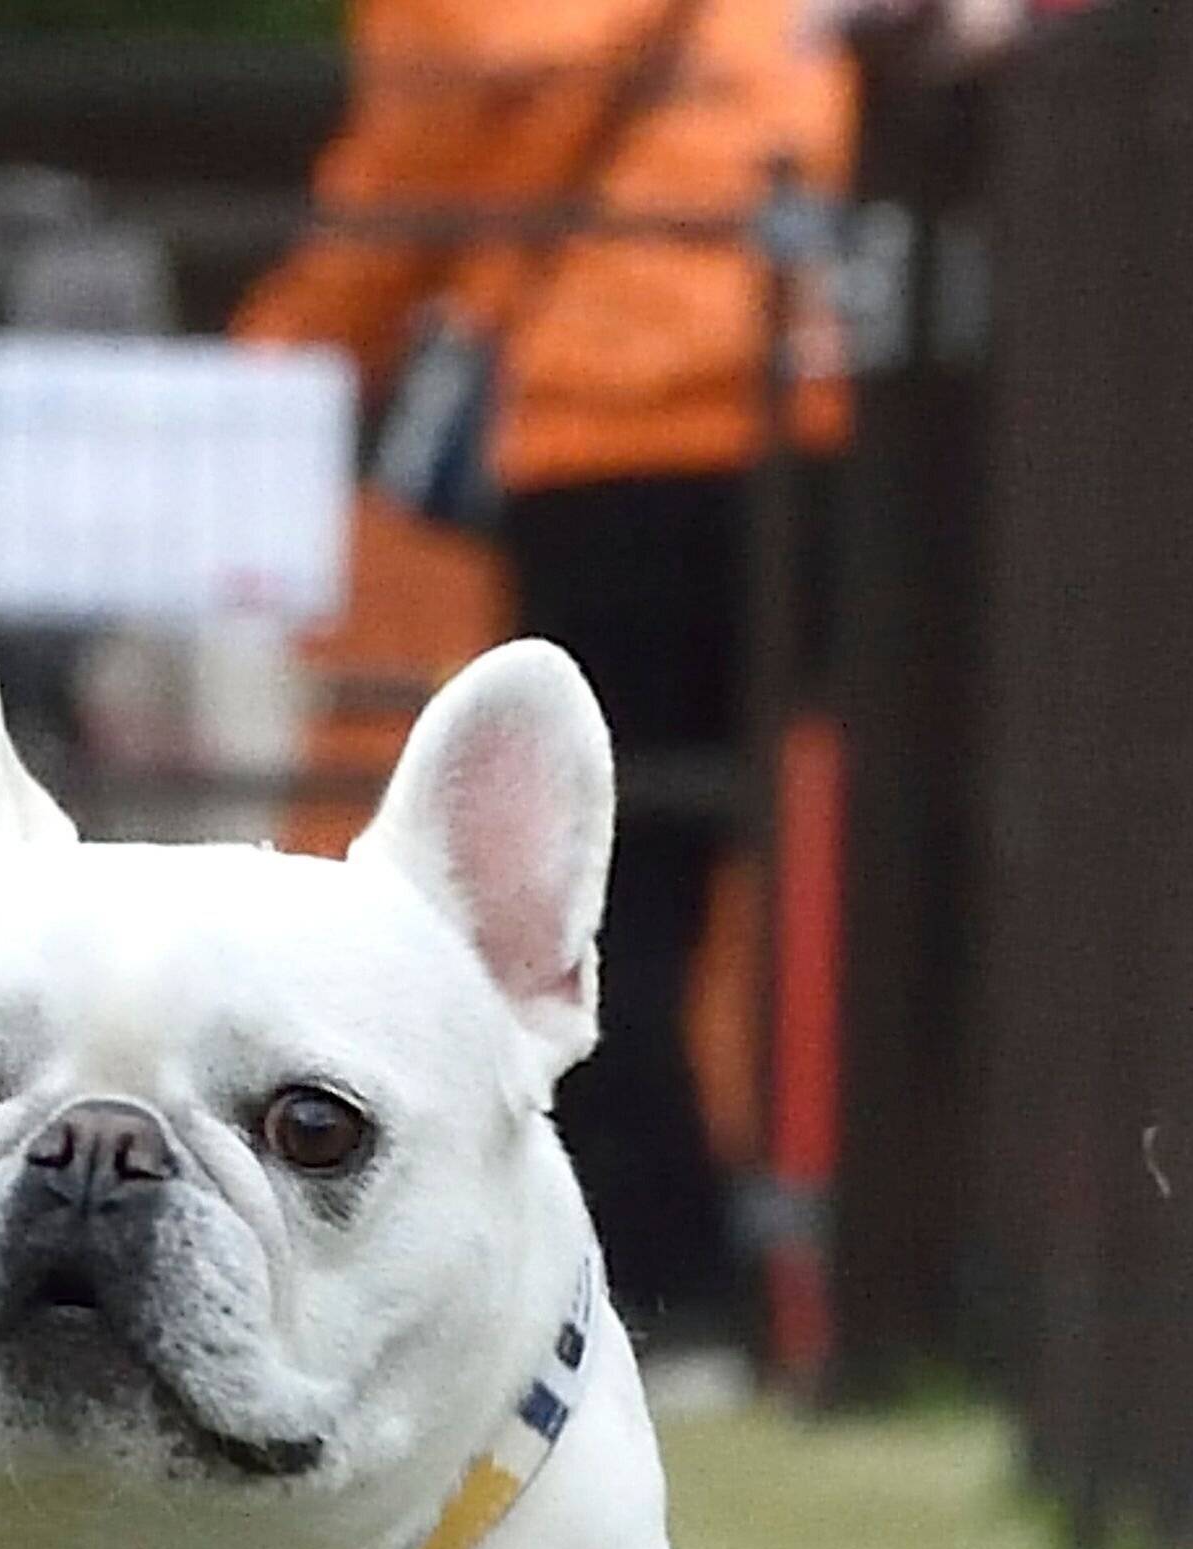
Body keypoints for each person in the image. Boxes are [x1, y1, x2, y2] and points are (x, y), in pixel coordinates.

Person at [236, 0, 853, 1402]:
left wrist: (263, 374)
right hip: (825, 408)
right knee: (837, 858)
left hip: (600, 430)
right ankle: (855, 1274)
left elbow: (402, 196)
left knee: (609, 887)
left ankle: (665, 1279)